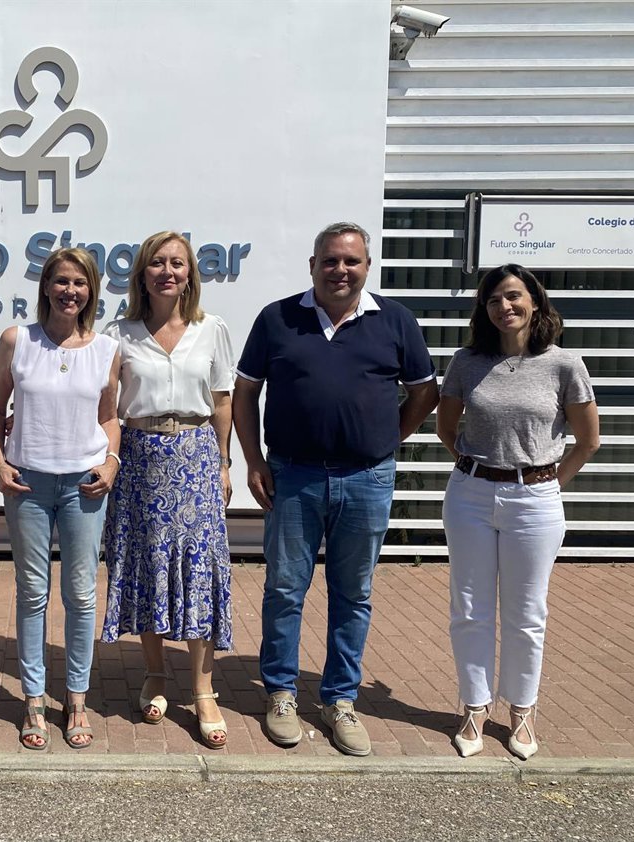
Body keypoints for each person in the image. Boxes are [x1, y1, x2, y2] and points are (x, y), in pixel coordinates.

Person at [234, 221, 439, 757]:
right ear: (313, 265)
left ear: (367, 267)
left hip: (367, 479)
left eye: (351, 261)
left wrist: (386, 438)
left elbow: (425, 393)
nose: (340, 270)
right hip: (293, 476)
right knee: (284, 589)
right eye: (330, 260)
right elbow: (244, 393)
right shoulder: (277, 318)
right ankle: (281, 693)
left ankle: (340, 699)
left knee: (354, 593)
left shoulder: (395, 320)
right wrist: (253, 460)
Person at [436, 264, 599, 760]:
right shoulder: (467, 361)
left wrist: (545, 484)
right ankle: (474, 706)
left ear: (535, 301)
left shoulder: (564, 364)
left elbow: (588, 441)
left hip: (535, 499)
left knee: (527, 613)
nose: (503, 307)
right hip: (470, 495)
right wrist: (477, 470)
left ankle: (522, 710)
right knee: (470, 608)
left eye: (512, 296)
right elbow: (446, 427)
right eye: (493, 300)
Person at [101, 231, 234, 750]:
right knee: (149, 566)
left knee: (199, 568)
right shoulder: (119, 333)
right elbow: (104, 405)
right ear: (142, 273)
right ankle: (155, 673)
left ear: (190, 273)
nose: (167, 272)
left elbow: (222, 401)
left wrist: (224, 463)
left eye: (177, 263)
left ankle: (203, 690)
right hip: (139, 458)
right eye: (157, 263)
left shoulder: (211, 328)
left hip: (196, 456)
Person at [0, 248, 120, 751]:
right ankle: (34, 699)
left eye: (80, 283)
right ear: (46, 286)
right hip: (29, 484)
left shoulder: (107, 349)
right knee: (32, 592)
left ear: (91, 290)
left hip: (85, 484)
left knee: (81, 594)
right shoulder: (16, 341)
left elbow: (109, 416)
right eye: (62, 281)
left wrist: (111, 462)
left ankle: (77, 698)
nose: (70, 291)